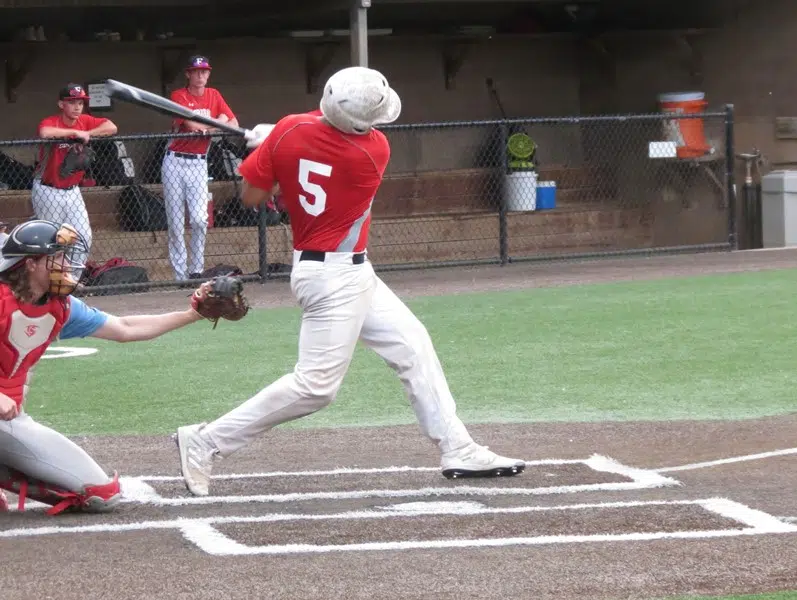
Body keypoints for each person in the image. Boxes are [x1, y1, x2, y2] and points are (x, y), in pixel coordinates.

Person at [174, 66, 525, 497]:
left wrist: (271, 147)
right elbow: (317, 141)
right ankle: (208, 441)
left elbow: (252, 196)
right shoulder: (374, 149)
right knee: (316, 387)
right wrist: (280, 144)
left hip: (345, 270)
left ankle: (457, 447)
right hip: (333, 277)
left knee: (412, 343)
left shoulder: (292, 131)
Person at [0, 218, 228, 515]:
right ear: (31, 263)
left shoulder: (59, 306)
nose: (65, 264)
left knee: (100, 494)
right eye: (56, 256)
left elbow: (125, 328)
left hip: (8, 421)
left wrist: (193, 314)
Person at [162, 55, 238, 282]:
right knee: (175, 222)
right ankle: (180, 275)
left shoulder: (214, 95)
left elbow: (233, 124)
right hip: (175, 161)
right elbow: (191, 124)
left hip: (198, 162)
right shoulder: (179, 95)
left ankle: (196, 270)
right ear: (188, 74)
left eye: (204, 71)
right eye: (196, 71)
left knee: (199, 219)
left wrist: (218, 122)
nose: (201, 75)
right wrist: (218, 121)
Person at [33, 83, 118, 269]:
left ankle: (71, 280)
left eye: (80, 102)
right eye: (72, 102)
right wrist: (74, 133)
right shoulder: (51, 122)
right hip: (49, 189)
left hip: (73, 191)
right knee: (54, 240)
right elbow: (45, 132)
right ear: (61, 104)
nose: (77, 106)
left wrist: (87, 133)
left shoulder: (85, 120)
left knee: (83, 236)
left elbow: (111, 127)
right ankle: (52, 284)